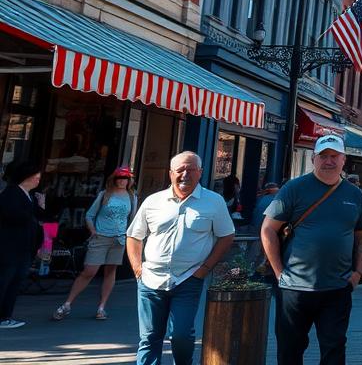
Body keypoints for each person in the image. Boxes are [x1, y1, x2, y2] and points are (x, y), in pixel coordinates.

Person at [261, 135, 362, 365]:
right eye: (323, 156)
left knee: (334, 350)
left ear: (344, 160)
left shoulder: (354, 194)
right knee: (290, 351)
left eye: (334, 156)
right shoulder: (294, 188)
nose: (329, 161)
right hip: (295, 289)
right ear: (313, 159)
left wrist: (357, 273)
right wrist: (280, 273)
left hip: (337, 288)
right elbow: (268, 230)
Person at [127, 152, 235, 365]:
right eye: (180, 170)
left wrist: (204, 269)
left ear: (200, 173)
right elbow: (134, 235)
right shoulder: (153, 201)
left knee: (181, 335)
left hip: (188, 279)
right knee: (149, 338)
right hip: (151, 280)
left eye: (191, 169)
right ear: (170, 173)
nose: (185, 174)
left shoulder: (214, 202)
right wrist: (138, 268)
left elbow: (227, 235)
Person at [54, 167, 138, 321]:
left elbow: (132, 219)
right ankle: (67, 304)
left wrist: (128, 235)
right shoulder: (104, 194)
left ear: (129, 180)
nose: (121, 181)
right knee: (89, 271)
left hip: (119, 239)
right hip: (101, 237)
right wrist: (93, 231)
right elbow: (90, 215)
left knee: (110, 272)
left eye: (125, 178)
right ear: (114, 179)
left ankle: (102, 307)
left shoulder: (132, 197)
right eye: (119, 178)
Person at [0, 160, 44, 330]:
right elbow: (14, 217)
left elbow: (40, 217)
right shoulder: (11, 194)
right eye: (35, 176)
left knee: (14, 282)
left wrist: (40, 207)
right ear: (25, 177)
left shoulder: (28, 196)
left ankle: (6, 315)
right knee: (5, 281)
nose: (38, 179)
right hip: (10, 247)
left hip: (23, 248)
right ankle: (3, 316)